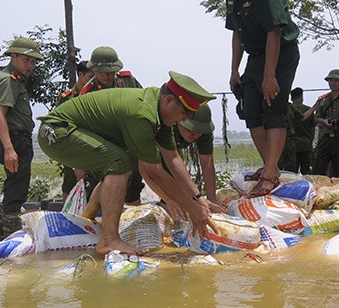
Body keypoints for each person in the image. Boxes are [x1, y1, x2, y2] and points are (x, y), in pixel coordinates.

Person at [38, 71, 217, 256]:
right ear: (169, 100)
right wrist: (192, 209)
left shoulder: (159, 114)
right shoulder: (142, 114)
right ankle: (108, 239)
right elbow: (154, 171)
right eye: (184, 112)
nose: (185, 118)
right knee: (119, 161)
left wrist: (198, 198)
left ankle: (87, 219)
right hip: (56, 132)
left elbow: (172, 158)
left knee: (123, 162)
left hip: (69, 131)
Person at [209, 0, 300, 197]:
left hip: (280, 53)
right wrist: (234, 70)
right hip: (256, 57)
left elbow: (274, 31)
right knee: (251, 110)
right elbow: (237, 33)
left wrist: (270, 76)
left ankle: (271, 174)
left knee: (273, 109)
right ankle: (269, 166)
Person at [79, 46, 145, 204]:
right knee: (106, 186)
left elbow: (144, 105)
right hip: (105, 145)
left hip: (130, 140)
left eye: (110, 72)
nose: (106, 76)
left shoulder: (129, 82)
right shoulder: (88, 93)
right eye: (101, 72)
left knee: (133, 187)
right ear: (93, 70)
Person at [0, 37, 43, 239]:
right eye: (26, 60)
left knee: (14, 188)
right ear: (13, 56)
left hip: (18, 138)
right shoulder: (7, 80)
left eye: (33, 61)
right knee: (16, 193)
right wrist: (9, 148)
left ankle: (2, 235)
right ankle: (11, 238)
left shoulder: (16, 79)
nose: (30, 65)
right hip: (15, 139)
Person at [166, 103, 219, 204]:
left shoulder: (204, 132)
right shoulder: (167, 126)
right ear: (180, 120)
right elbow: (154, 169)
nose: (196, 135)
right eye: (191, 130)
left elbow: (206, 161)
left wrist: (212, 199)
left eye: (200, 131)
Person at [56, 59, 93, 196]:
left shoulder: (95, 96)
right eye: (90, 77)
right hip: (72, 147)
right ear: (80, 75)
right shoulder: (67, 98)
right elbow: (58, 123)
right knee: (70, 184)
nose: (92, 81)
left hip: (94, 146)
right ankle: (68, 215)